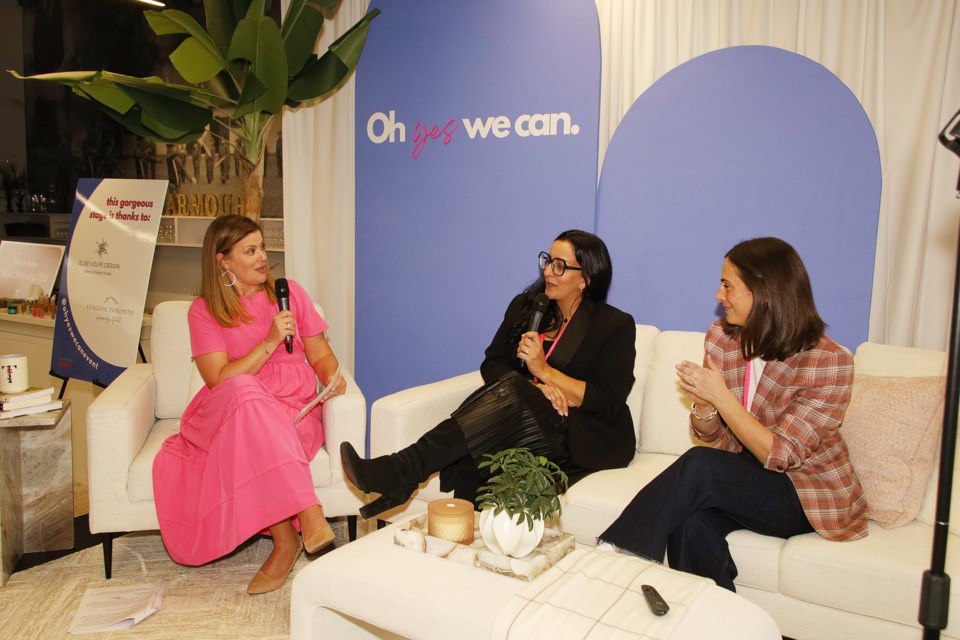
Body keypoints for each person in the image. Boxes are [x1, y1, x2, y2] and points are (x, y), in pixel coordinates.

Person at [598, 237, 868, 591]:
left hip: (803, 491)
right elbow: (718, 440)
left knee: (699, 465)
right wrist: (707, 407)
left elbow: (782, 455)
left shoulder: (827, 361)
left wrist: (721, 398)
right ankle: (712, 619)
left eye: (727, 285)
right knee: (690, 521)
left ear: (765, 292)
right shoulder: (723, 341)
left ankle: (617, 555)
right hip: (745, 478)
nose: (717, 295)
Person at [341, 229, 637, 519]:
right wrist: (534, 388)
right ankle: (459, 536)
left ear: (585, 279)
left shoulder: (613, 326)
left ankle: (400, 472)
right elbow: (493, 364)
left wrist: (543, 372)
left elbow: (608, 402)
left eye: (560, 266)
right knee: (480, 444)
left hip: (582, 434)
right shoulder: (527, 307)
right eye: (548, 260)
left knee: (508, 401)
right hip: (523, 421)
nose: (548, 271)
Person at [152, 214, 347, 595]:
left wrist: (331, 377)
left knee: (267, 423)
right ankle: (306, 517)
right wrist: (270, 341)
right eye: (250, 250)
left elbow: (320, 353)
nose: (263, 257)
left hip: (293, 404)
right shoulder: (204, 310)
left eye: (262, 247)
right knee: (246, 393)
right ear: (223, 261)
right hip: (230, 406)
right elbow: (219, 379)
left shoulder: (288, 293)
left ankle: (288, 542)